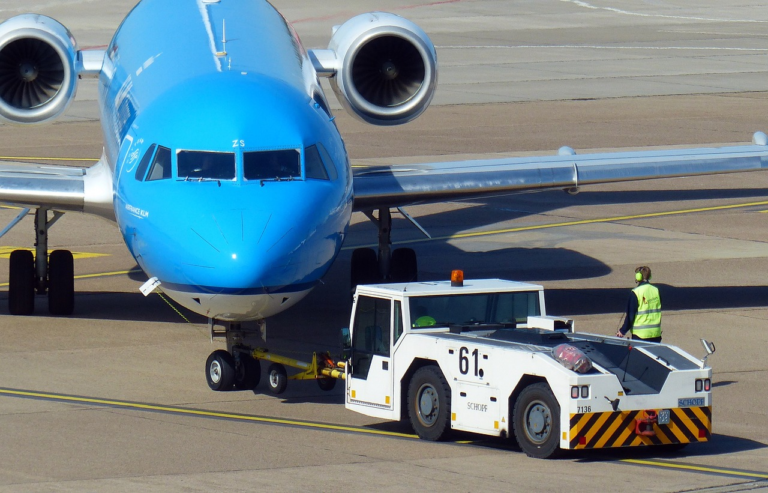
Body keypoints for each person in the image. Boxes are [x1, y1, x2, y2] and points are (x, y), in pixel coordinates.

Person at [616, 266, 662, 342]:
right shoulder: (656, 290)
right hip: (655, 333)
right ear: (650, 276)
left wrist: (622, 331)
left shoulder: (636, 292)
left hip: (640, 334)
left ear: (638, 277)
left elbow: (631, 315)